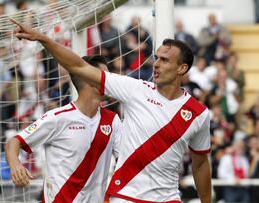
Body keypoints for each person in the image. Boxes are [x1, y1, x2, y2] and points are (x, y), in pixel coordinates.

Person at [11, 19, 211, 203]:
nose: (156, 64)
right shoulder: (135, 89)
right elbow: (78, 66)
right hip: (125, 196)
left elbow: (200, 164)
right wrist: (42, 38)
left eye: (165, 60)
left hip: (168, 198)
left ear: (181, 69)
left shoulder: (199, 114)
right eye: (156, 58)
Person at [5, 55, 122, 202]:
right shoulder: (58, 118)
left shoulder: (113, 121)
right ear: (89, 79)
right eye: (105, 76)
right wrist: (16, 165)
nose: (110, 80)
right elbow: (14, 142)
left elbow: (125, 160)